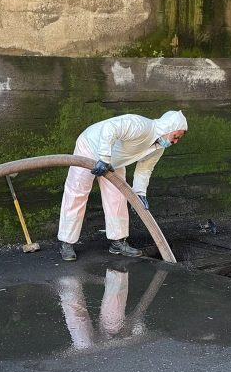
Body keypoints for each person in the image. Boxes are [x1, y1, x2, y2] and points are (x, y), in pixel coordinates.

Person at [57, 111, 187, 261]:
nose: (176, 141)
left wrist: (139, 193)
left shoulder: (158, 147)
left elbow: (144, 169)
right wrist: (104, 158)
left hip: (115, 160)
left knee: (117, 196)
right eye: (176, 136)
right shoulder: (140, 126)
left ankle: (118, 242)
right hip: (90, 146)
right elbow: (109, 128)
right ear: (168, 128)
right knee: (77, 192)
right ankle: (66, 242)